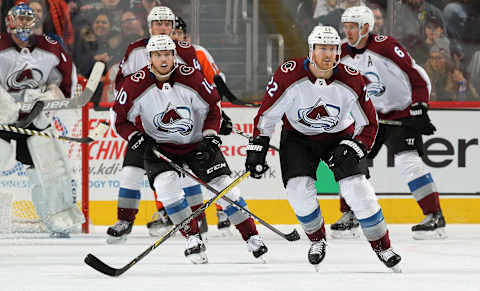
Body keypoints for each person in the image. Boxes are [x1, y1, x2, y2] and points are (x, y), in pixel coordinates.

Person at [245, 25, 401, 271]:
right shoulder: (289, 75)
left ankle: (383, 245)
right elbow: (267, 117)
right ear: (311, 50)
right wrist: (257, 147)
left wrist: (356, 145)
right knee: (298, 191)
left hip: (339, 137)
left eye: (332, 49)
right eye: (322, 48)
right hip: (298, 138)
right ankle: (317, 241)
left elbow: (369, 123)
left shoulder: (351, 78)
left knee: (358, 188)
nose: (328, 54)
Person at [112, 34, 268, 263]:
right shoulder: (134, 84)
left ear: (174, 56)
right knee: (167, 189)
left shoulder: (192, 77)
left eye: (167, 54)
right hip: (160, 149)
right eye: (158, 55)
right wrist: (135, 137)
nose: (163, 59)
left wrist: (210, 136)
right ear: (149, 58)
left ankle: (252, 237)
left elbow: (214, 108)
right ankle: (193, 239)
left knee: (225, 189)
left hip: (197, 144)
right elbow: (119, 119)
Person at [107, 6, 229, 241]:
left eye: (166, 24)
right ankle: (124, 221)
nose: (162, 28)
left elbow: (199, 87)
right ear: (149, 26)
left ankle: (197, 218)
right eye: (157, 24)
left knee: (185, 173)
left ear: (173, 27)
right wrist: (123, 112)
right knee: (130, 172)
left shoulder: (185, 50)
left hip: (182, 126)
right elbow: (122, 85)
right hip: (144, 127)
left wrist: (209, 115)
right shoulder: (135, 50)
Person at [333, 6, 446, 240]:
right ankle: (351, 214)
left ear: (366, 27)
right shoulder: (341, 52)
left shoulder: (386, 46)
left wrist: (420, 106)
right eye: (345, 27)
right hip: (369, 118)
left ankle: (435, 216)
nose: (348, 32)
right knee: (350, 161)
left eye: (352, 27)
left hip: (400, 114)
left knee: (409, 162)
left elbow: (417, 76)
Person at [0, 3, 83, 237]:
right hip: (2, 119)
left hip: (35, 120)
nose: (23, 25)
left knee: (48, 170)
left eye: (28, 20)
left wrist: (50, 96)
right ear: (9, 23)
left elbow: (66, 84)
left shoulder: (52, 47)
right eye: (18, 20)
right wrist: (6, 104)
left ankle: (59, 221)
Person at [171, 15, 232, 233]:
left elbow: (216, 80)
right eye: (172, 32)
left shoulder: (197, 52)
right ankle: (199, 216)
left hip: (203, 117)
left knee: (214, 166)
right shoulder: (162, 54)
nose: (175, 36)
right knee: (186, 171)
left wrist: (220, 111)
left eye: (179, 32)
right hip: (180, 122)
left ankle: (224, 210)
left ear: (185, 35)